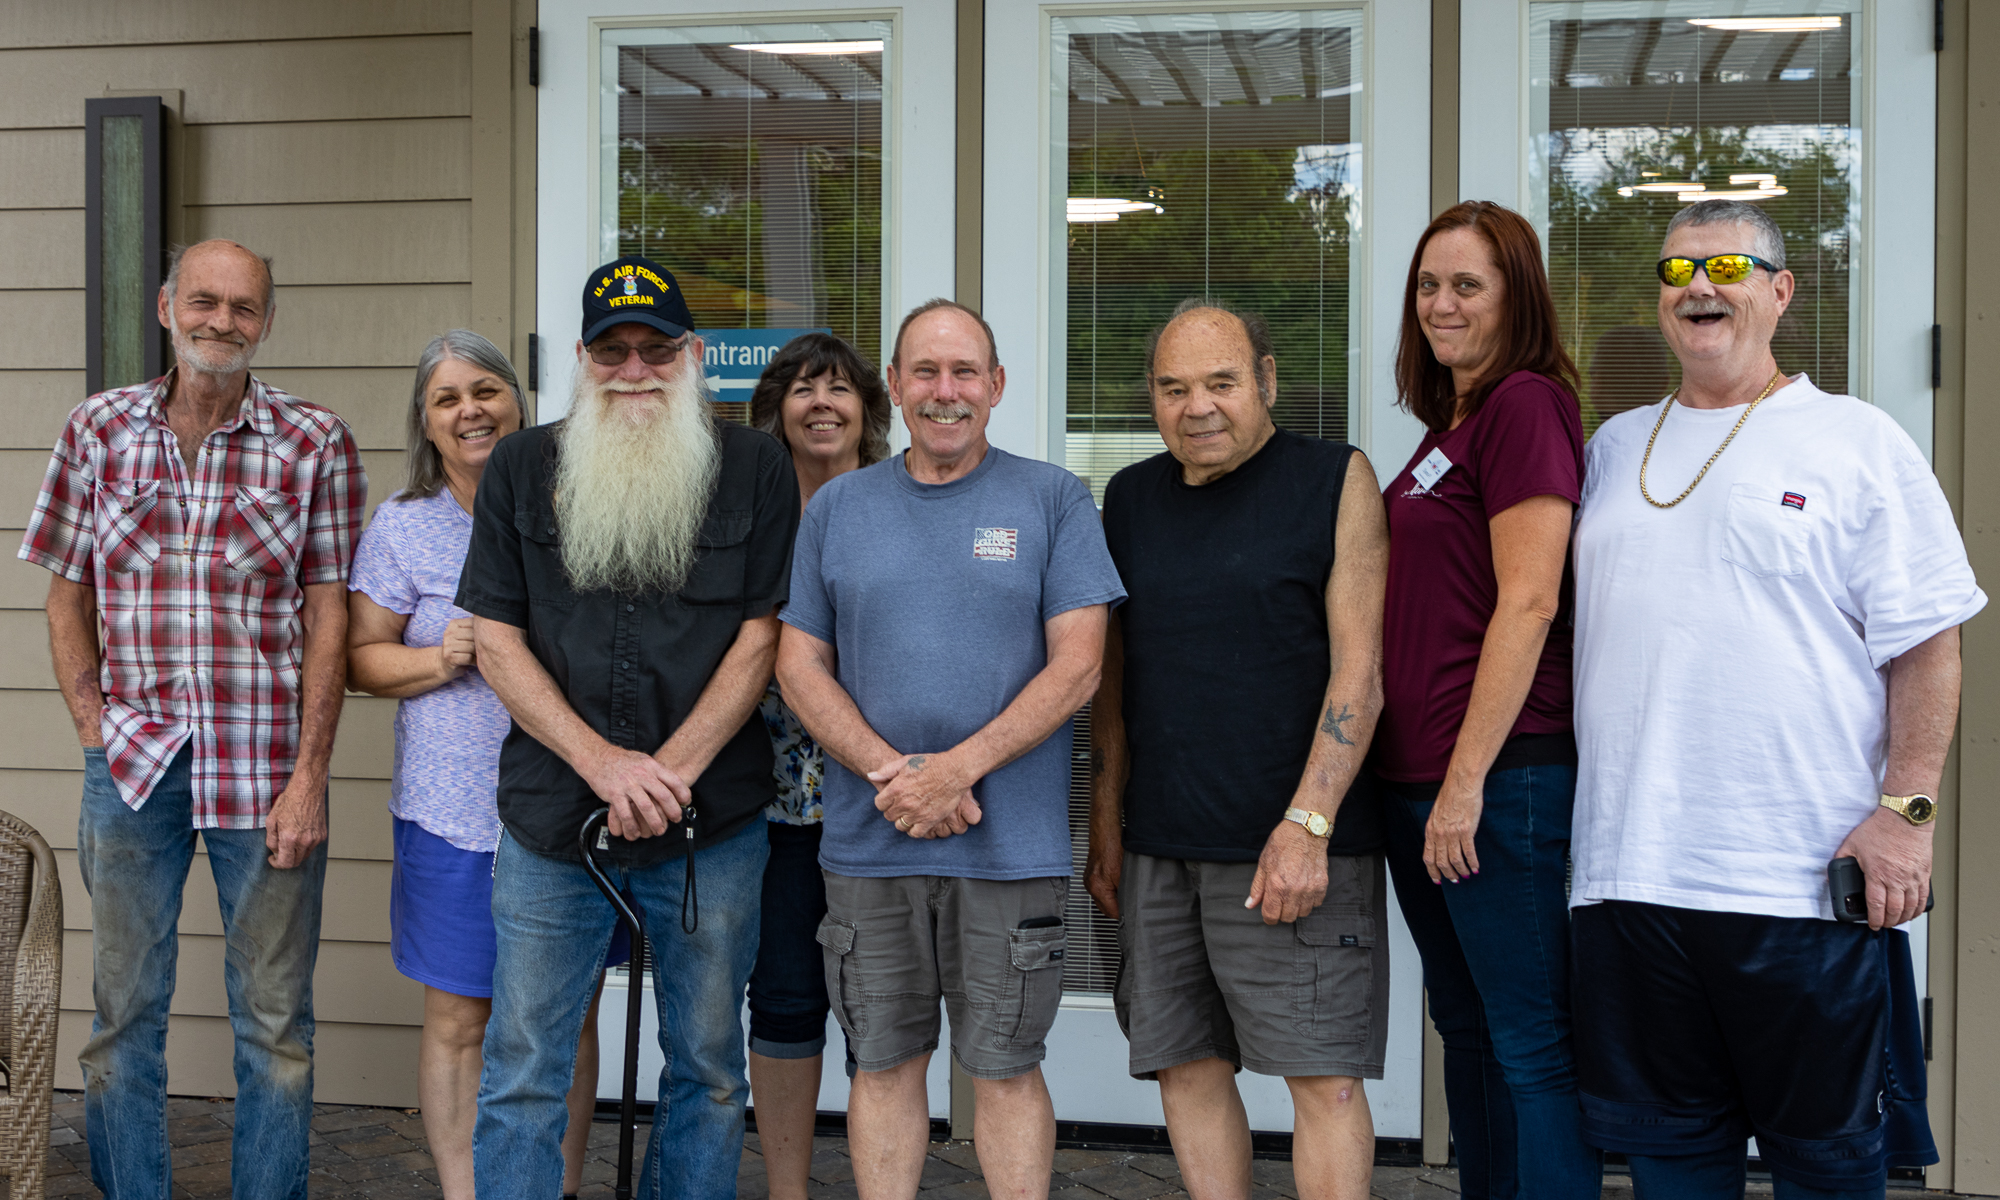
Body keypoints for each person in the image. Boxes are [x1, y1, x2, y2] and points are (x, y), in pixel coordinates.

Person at [1569, 198, 1981, 1198]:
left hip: (1796, 881)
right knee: (1669, 1161)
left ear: (1779, 291)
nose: (1698, 289)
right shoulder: (1610, 449)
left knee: (1827, 1164)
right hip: (1630, 876)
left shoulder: (1854, 440)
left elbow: (1928, 649)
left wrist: (1905, 817)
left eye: (1725, 268)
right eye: (1675, 273)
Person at [21, 239, 365, 1199]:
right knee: (123, 1017)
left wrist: (311, 778)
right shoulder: (97, 430)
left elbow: (330, 613)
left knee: (274, 1027)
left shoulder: (315, 441)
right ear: (169, 306)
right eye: (204, 301)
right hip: (132, 767)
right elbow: (64, 597)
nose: (223, 322)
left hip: (267, 772)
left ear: (267, 320)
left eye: (244, 307)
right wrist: (95, 729)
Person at [457, 256, 800, 1200]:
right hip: (552, 815)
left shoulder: (757, 467)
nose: (635, 368)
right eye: (613, 351)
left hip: (712, 823)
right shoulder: (524, 465)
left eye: (657, 348)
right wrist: (605, 764)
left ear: (693, 355)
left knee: (709, 1067)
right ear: (582, 357)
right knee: (522, 1069)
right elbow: (496, 636)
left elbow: (761, 635)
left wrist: (670, 771)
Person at [775, 299, 1124, 1200]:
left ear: (997, 387)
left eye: (965, 372)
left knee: (1005, 1065)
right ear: (894, 386)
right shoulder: (839, 509)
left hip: (1009, 852)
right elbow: (799, 663)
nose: (945, 391)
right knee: (883, 1062)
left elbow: (1079, 665)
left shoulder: (1053, 499)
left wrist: (955, 773)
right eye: (924, 372)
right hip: (869, 842)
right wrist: (895, 777)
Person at [1085, 297, 1392, 1200]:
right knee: (1183, 1066)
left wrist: (1309, 824)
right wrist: (1107, 822)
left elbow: (1360, 676)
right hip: (1161, 846)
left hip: (1289, 845)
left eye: (1221, 382)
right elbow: (1114, 681)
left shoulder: (1335, 479)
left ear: (1265, 382)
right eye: (1174, 388)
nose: (1198, 406)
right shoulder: (1131, 498)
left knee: (1322, 1079)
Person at [346, 330, 613, 1200]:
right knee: (461, 1017)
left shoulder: (580, 506)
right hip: (451, 809)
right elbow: (360, 659)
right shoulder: (405, 526)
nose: (471, 411)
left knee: (562, 1017)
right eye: (447, 398)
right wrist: (442, 658)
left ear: (519, 402)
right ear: (425, 424)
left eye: (486, 390)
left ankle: (556, 1188)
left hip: (569, 804)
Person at [1371, 200, 1600, 1199]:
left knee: (1528, 1041)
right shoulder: (1447, 425)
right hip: (1418, 781)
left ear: (1516, 297)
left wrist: (1463, 784)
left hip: (1496, 783)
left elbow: (1532, 598)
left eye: (1467, 284)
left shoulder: (1522, 407)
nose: (1441, 304)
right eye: (1428, 284)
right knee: (1467, 1028)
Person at [743, 332, 893, 1200]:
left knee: (882, 1010)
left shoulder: (901, 503)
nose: (822, 403)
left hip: (881, 801)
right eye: (804, 389)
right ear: (777, 411)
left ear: (869, 409)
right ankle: (789, 1189)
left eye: (840, 389)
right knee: (788, 997)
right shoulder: (750, 516)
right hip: (771, 806)